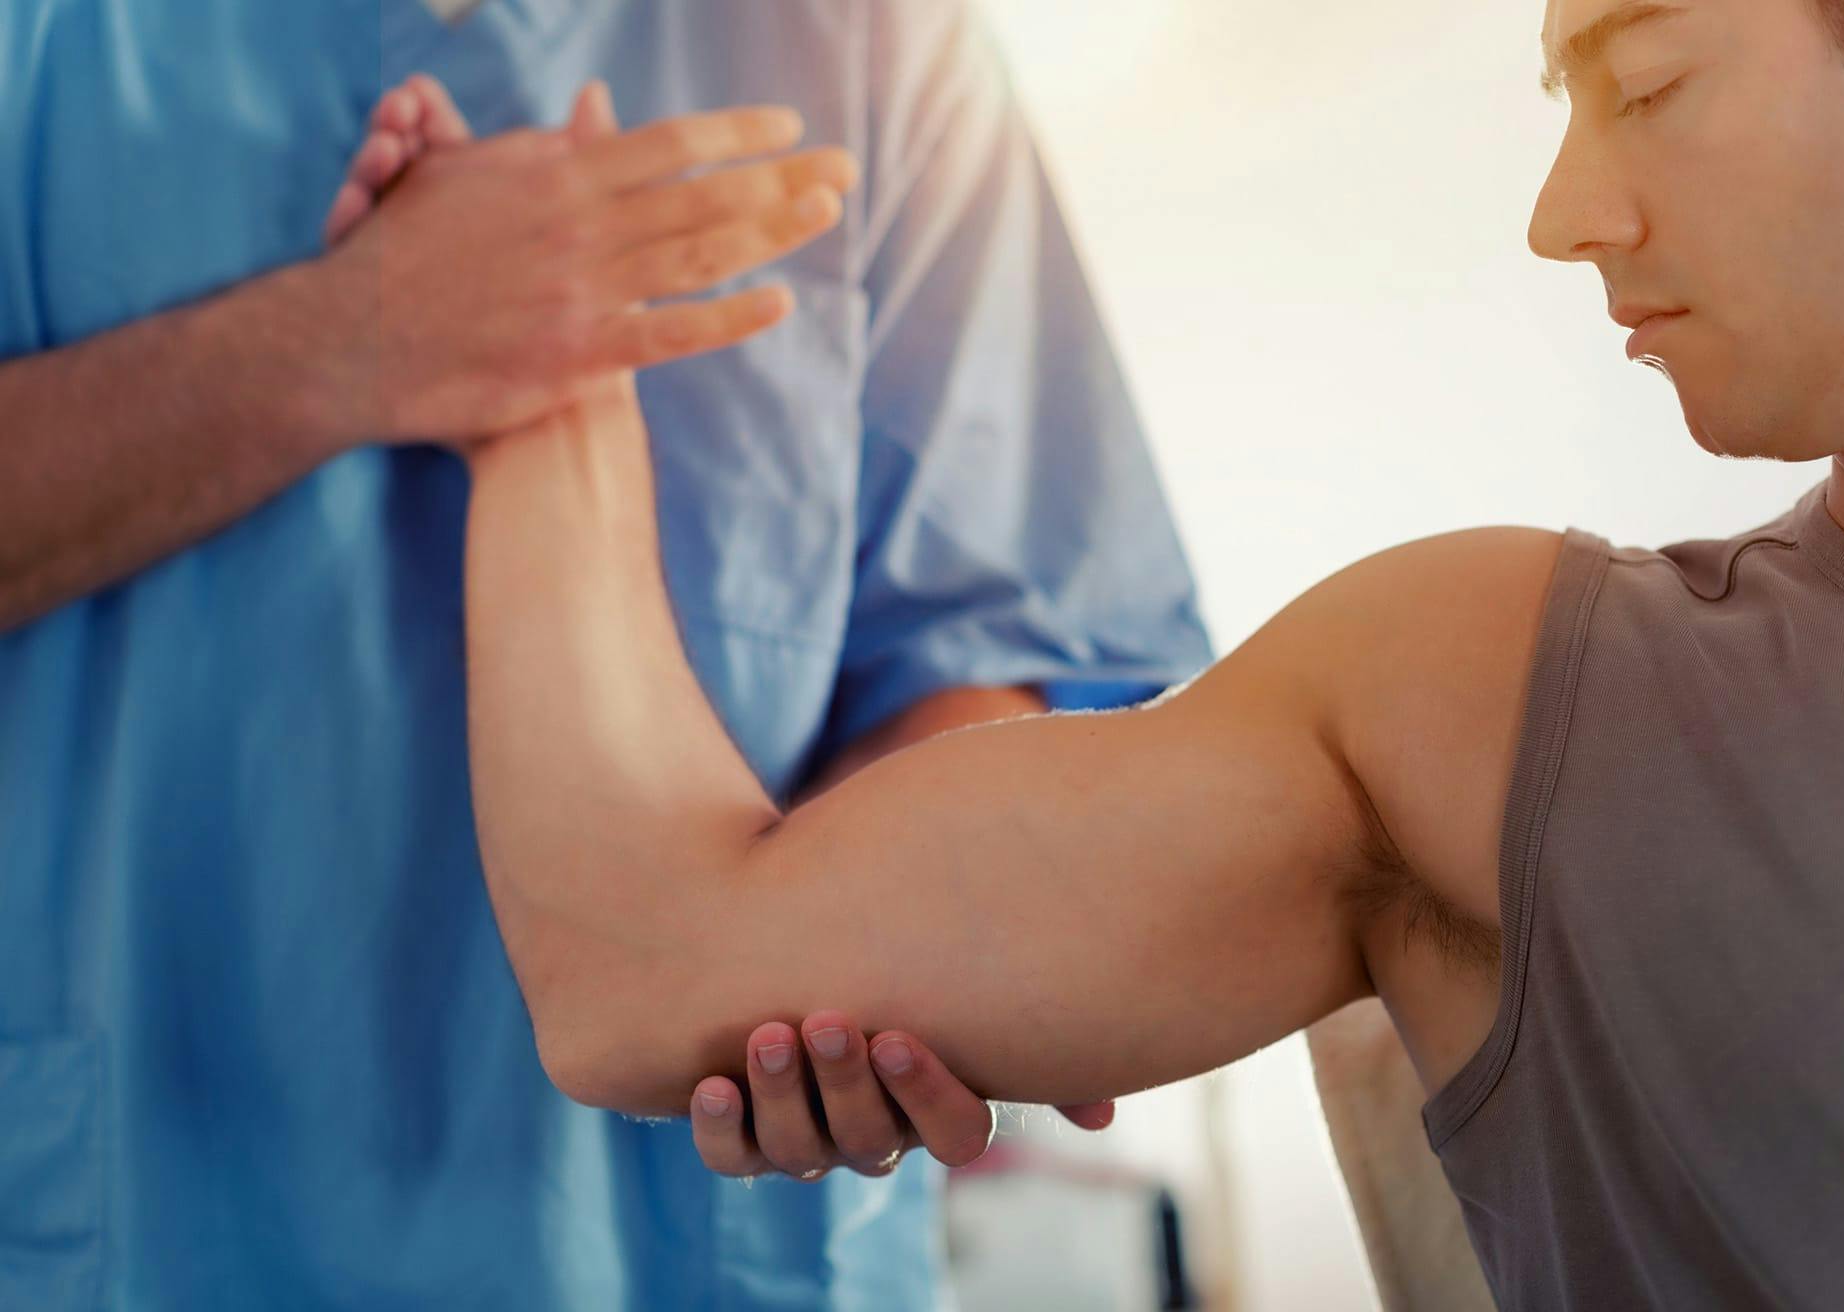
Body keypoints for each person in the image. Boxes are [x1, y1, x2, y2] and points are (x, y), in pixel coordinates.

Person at [440, 0, 1844, 1306]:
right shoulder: (1503, 705)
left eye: (1649, 82)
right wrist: (544, 371)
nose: (1561, 211)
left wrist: (541, 375)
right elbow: (643, 971)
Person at [0, 5, 1208, 1308]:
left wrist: (934, 935)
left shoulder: (875, 41)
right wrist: (348, 337)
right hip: (138, 1218)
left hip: (711, 1254)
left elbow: (990, 635)